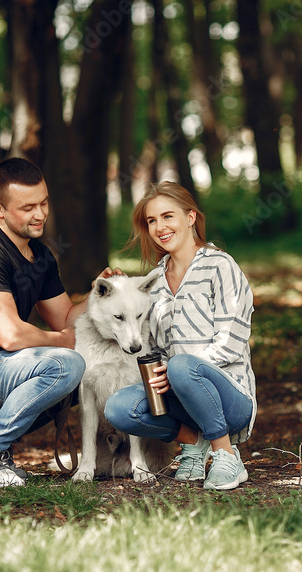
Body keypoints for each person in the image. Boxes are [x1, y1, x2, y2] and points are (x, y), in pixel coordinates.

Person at [0, 157, 118, 487]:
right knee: (66, 366)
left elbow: (64, 318)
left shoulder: (40, 255)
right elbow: (9, 335)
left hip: (6, 368)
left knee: (82, 372)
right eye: (27, 207)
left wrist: (98, 296)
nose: (40, 214)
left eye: (44, 203)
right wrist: (61, 342)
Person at [104, 182, 256, 490]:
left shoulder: (220, 266)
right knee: (119, 408)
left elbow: (230, 344)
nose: (160, 227)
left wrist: (176, 371)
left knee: (181, 365)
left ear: (190, 218)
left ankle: (226, 455)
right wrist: (118, 291)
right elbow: (155, 348)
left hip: (231, 400)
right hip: (180, 397)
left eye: (167, 216)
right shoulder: (154, 282)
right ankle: (193, 443)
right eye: (151, 221)